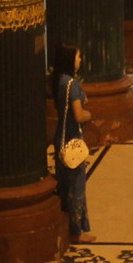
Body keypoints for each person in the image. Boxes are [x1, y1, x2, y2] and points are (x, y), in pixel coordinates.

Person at [51, 43, 95, 242]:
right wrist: (89, 115)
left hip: (60, 137)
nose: (80, 60)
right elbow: (78, 115)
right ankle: (77, 231)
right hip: (72, 140)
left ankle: (71, 226)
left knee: (64, 184)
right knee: (76, 186)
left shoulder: (59, 81)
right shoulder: (72, 84)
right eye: (78, 57)